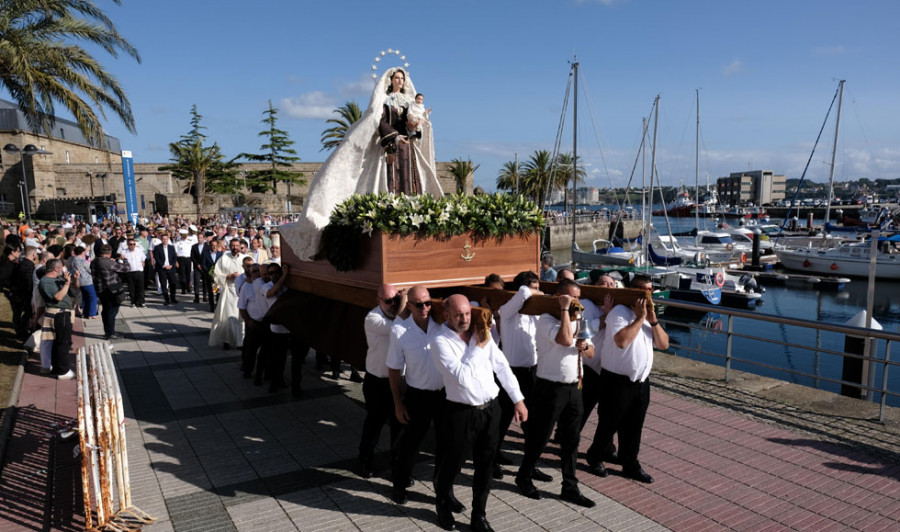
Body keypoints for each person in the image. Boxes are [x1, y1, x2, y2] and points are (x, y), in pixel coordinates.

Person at [280, 66, 442, 261]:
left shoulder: (409, 101)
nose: (400, 81)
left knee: (410, 179)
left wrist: (416, 125)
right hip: (389, 147)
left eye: (402, 78)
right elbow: (380, 120)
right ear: (390, 80)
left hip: (407, 147)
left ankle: (411, 213)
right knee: (388, 181)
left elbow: (412, 122)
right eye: (397, 78)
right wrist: (395, 136)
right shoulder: (385, 100)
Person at [431, 295, 527, 532]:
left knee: (485, 466)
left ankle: (479, 516)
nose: (464, 319)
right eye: (458, 315)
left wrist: (518, 399)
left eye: (466, 313)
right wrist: (477, 345)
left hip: (490, 410)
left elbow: (502, 367)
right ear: (447, 316)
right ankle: (442, 504)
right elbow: (462, 378)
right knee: (452, 465)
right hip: (461, 412)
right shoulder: (439, 341)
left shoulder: (480, 333)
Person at [515, 278, 596, 508]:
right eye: (572, 298)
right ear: (561, 298)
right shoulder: (546, 320)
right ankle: (524, 475)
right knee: (539, 437)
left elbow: (591, 352)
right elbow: (564, 339)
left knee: (572, 439)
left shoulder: (579, 318)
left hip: (574, 387)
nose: (576, 304)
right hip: (550, 387)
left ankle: (570, 486)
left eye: (578, 299)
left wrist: (586, 347)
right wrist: (563, 309)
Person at [586, 274, 668, 484]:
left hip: (641, 382)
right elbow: (621, 341)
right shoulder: (619, 312)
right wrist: (640, 318)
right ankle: (595, 456)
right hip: (616, 380)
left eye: (649, 289)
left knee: (634, 425)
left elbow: (664, 344)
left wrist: (653, 320)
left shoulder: (650, 316)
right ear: (632, 290)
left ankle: (629, 462)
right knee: (609, 423)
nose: (646, 294)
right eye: (641, 289)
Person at [386, 286, 445, 506]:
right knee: (408, 445)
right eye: (418, 304)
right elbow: (393, 369)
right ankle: (399, 486)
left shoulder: (442, 325)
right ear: (408, 305)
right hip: (417, 396)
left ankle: (443, 492)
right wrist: (398, 403)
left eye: (428, 303)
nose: (424, 308)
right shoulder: (400, 331)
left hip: (444, 396)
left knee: (445, 445)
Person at [493, 270, 542, 478]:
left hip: (532, 371)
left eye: (539, 289)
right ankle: (491, 459)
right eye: (535, 288)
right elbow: (523, 292)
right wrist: (531, 292)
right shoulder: (507, 312)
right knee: (501, 419)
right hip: (511, 372)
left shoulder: (535, 313)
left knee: (532, 422)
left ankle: (531, 464)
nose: (537, 293)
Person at [358, 283, 406, 479]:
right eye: (388, 301)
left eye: (396, 299)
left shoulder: (401, 317)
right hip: (377, 381)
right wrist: (404, 304)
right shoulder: (372, 318)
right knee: (374, 424)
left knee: (400, 427)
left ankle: (398, 468)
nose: (393, 304)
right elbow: (397, 329)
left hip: (401, 380)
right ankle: (364, 462)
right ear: (378, 301)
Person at [37, 258, 76, 378]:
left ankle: (56, 367)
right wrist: (67, 283)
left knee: (62, 341)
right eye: (61, 268)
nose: (63, 270)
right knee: (62, 342)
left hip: (63, 313)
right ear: (56, 269)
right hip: (58, 313)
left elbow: (73, 290)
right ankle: (63, 371)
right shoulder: (45, 282)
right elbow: (58, 297)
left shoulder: (58, 279)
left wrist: (73, 280)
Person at [209, 238, 249, 349]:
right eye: (233, 245)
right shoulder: (224, 258)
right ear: (229, 246)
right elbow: (215, 274)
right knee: (227, 317)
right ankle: (227, 340)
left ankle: (240, 341)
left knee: (241, 317)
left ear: (240, 246)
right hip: (229, 291)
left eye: (237, 245)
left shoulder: (245, 259)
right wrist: (228, 276)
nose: (235, 248)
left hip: (242, 292)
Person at [91, 244, 129, 339]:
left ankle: (107, 331)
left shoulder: (94, 261)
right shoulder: (106, 262)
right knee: (111, 312)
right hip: (111, 290)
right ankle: (111, 332)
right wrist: (124, 260)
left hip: (100, 290)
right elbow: (126, 268)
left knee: (106, 311)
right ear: (110, 252)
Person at [71, 246, 98, 318]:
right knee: (93, 297)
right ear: (82, 252)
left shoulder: (73, 261)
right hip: (87, 280)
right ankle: (92, 314)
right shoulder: (83, 261)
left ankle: (85, 313)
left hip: (78, 280)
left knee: (85, 297)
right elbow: (90, 270)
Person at [153, 232, 179, 305]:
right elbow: (156, 258)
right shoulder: (158, 247)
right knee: (163, 284)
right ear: (161, 240)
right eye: (163, 239)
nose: (165, 240)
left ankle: (173, 298)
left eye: (166, 239)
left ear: (168, 239)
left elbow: (174, 257)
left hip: (171, 268)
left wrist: (171, 265)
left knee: (173, 284)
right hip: (162, 268)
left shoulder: (171, 247)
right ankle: (166, 299)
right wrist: (163, 265)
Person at [191, 231, 215, 306]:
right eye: (199, 238)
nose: (200, 239)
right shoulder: (194, 246)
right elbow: (192, 257)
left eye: (201, 238)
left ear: (204, 238)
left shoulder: (208, 247)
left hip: (205, 267)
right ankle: (197, 297)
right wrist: (197, 264)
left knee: (205, 282)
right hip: (197, 267)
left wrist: (203, 265)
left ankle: (205, 295)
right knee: (196, 282)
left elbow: (208, 257)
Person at [121, 238, 146, 307]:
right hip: (130, 272)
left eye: (133, 244)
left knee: (140, 288)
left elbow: (143, 259)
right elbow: (121, 262)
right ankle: (133, 302)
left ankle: (141, 302)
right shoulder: (124, 252)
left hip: (139, 271)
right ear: (128, 245)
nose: (132, 245)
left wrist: (142, 267)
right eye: (130, 244)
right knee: (131, 288)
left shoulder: (139, 251)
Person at [174, 229, 193, 295]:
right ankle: (183, 289)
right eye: (183, 236)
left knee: (188, 274)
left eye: (185, 236)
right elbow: (175, 253)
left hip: (188, 259)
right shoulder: (177, 242)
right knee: (182, 275)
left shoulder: (190, 242)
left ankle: (188, 287)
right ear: (181, 235)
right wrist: (176, 261)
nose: (184, 237)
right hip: (181, 259)